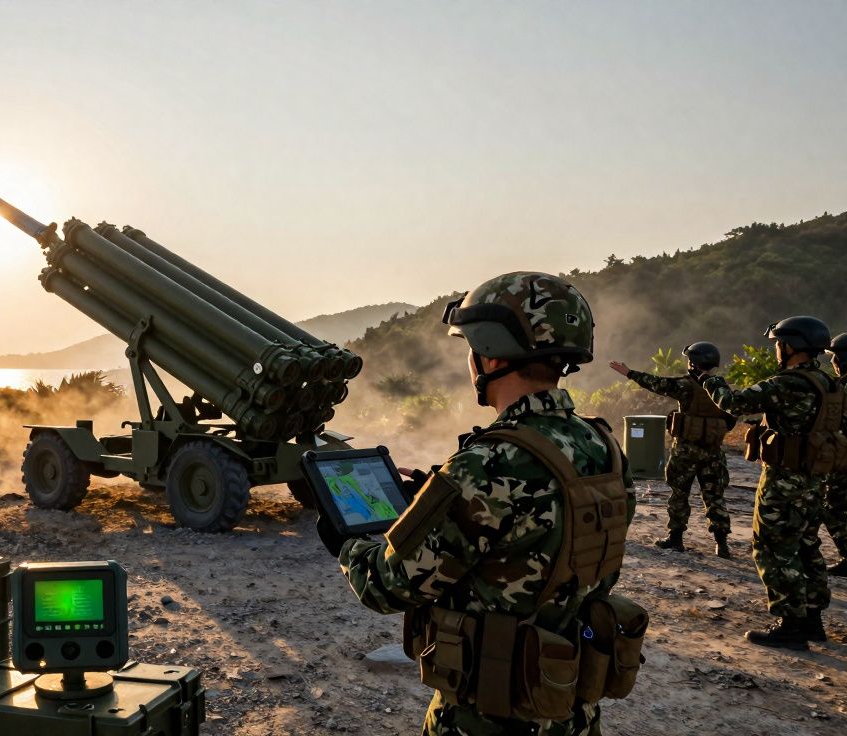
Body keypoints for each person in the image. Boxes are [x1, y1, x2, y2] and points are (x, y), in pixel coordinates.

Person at [334, 272, 636, 736]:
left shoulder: (489, 464)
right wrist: (433, 503)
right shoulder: (602, 445)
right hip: (569, 708)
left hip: (491, 715)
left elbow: (388, 587)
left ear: (490, 353)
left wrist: (346, 543)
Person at [701, 316, 836, 649]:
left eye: (778, 343)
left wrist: (708, 381)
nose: (776, 349)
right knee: (807, 546)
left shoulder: (789, 383)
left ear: (791, 346)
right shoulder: (828, 383)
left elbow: (734, 404)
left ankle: (791, 625)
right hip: (815, 480)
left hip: (784, 481)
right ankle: (812, 621)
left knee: (775, 549)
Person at [609, 342, 735, 557]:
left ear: (693, 363)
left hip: (685, 450)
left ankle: (675, 539)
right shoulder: (722, 388)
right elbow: (731, 419)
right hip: (713, 452)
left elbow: (656, 383)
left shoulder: (685, 386)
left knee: (679, 494)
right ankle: (721, 543)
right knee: (714, 496)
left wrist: (629, 373)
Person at [823, 332, 847, 576]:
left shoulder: (841, 389)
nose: (833, 363)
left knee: (832, 507)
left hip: (842, 459)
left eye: (835, 358)